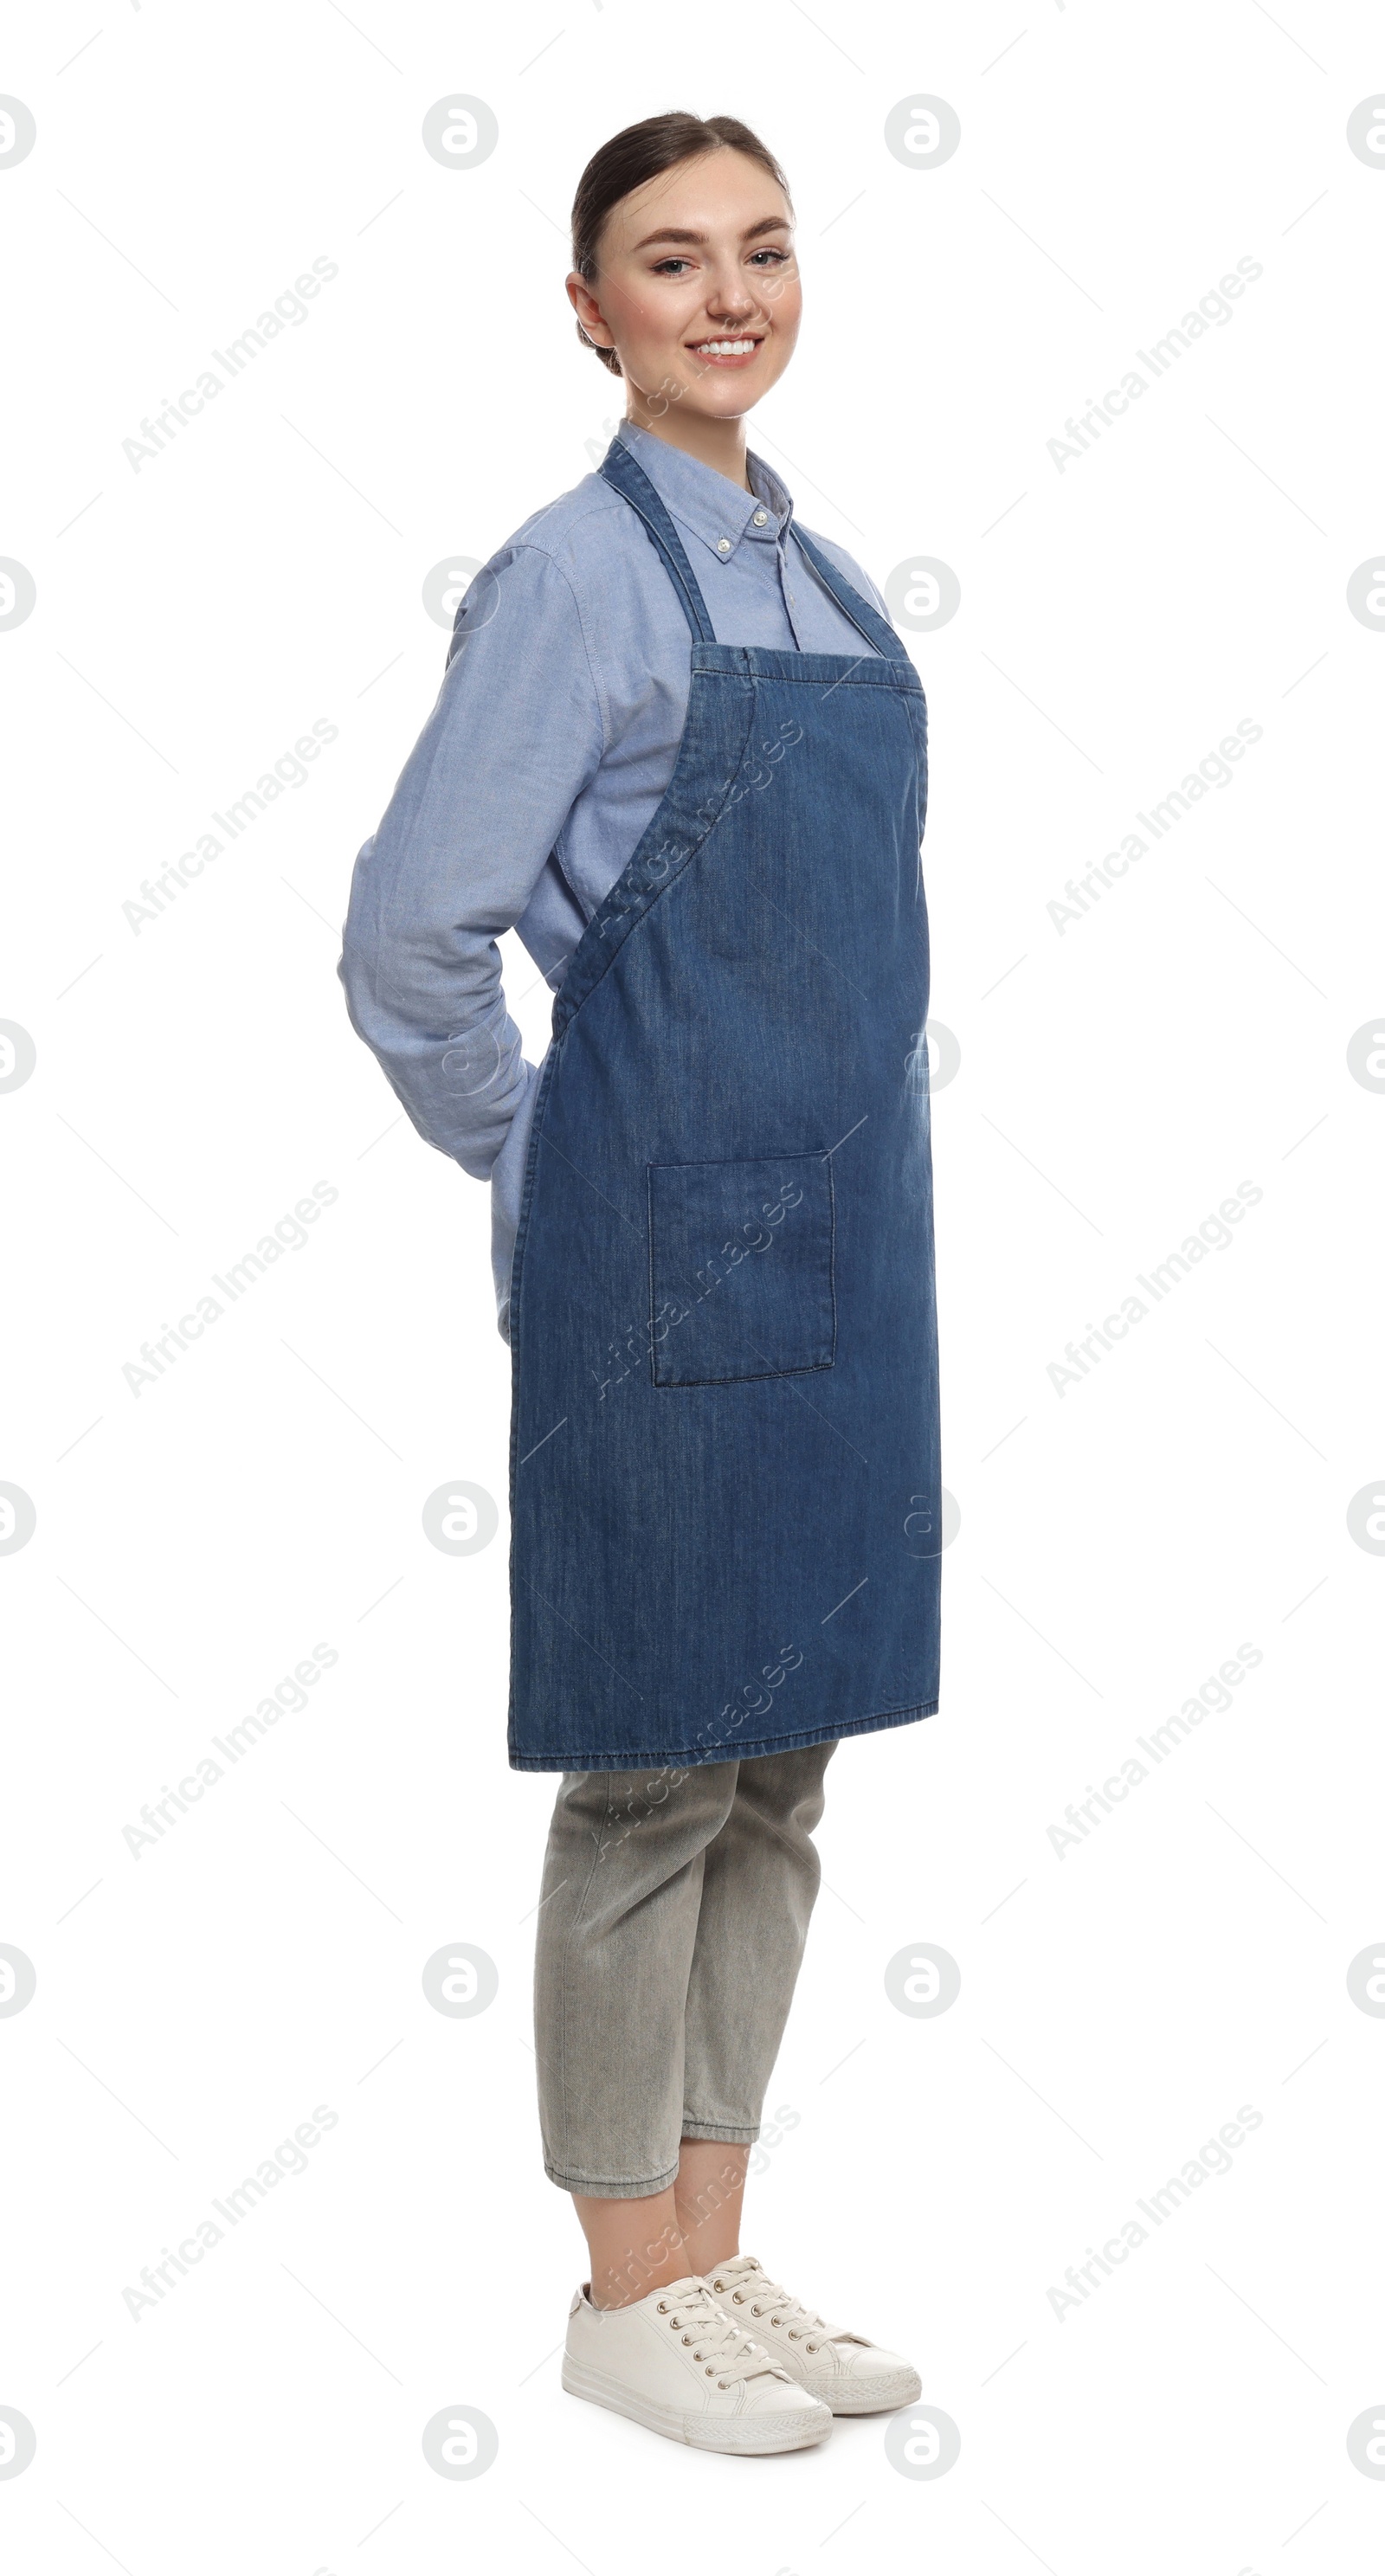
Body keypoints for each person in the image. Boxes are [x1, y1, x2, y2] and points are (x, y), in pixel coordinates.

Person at [340, 110, 941, 2456]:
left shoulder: (823, 580)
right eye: (671, 261)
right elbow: (413, 935)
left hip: (845, 1256)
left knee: (780, 1778)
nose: (729, 295)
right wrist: (551, 1163)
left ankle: (712, 2248)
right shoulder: (579, 582)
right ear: (587, 309)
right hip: (660, 1269)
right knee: (648, 1778)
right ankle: (616, 2292)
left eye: (764, 252)